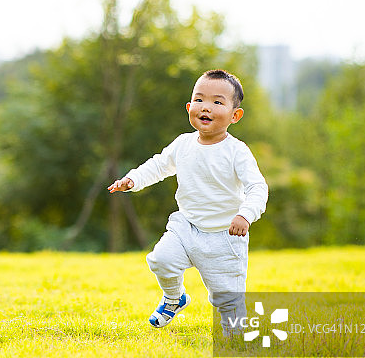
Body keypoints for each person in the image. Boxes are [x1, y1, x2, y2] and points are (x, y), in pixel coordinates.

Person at [108, 69, 268, 334]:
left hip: (224, 235)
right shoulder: (183, 144)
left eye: (217, 102)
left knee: (226, 299)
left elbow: (257, 187)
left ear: (234, 115)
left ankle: (236, 336)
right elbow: (158, 165)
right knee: (161, 259)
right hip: (186, 226)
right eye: (199, 99)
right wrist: (133, 180)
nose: (206, 107)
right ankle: (174, 298)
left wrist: (245, 214)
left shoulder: (236, 151)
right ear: (189, 107)